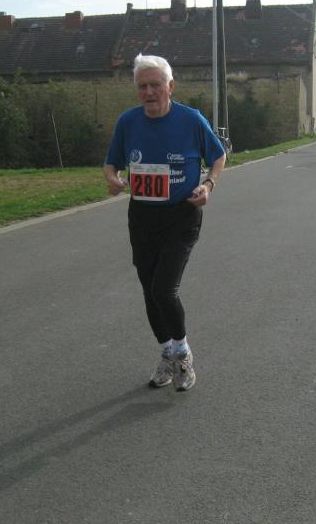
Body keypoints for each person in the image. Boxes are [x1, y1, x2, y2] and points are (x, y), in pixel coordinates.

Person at [103, 54, 226, 391]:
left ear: (170, 86)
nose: (148, 92)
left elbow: (218, 156)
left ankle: (183, 354)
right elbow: (112, 164)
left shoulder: (190, 120)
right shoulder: (128, 122)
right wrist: (112, 179)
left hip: (181, 215)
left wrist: (208, 185)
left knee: (163, 289)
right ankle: (168, 353)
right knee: (149, 290)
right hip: (142, 216)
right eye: (142, 86)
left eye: (155, 85)